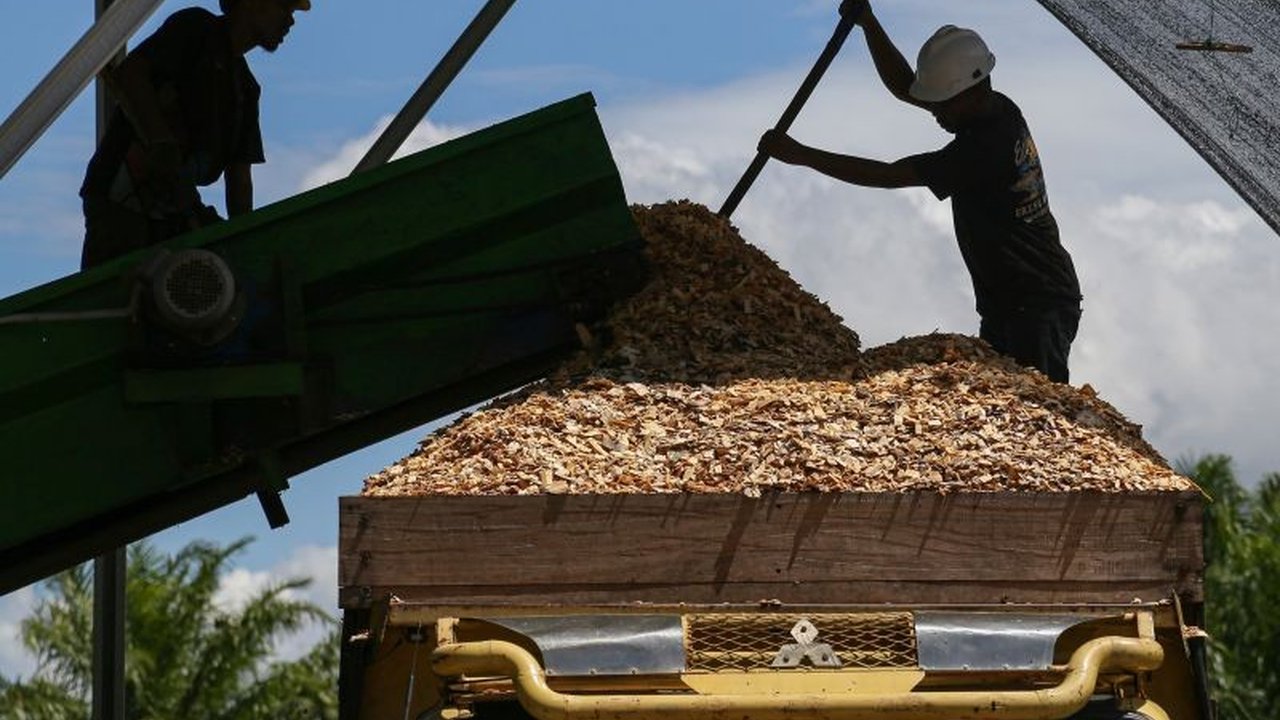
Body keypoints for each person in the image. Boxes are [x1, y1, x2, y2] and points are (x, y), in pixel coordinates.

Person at [759, 1, 1083, 383]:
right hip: (1009, 303)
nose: (935, 115)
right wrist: (869, 25)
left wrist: (802, 155)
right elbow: (905, 87)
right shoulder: (997, 106)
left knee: (1035, 399)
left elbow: (887, 175)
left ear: (969, 93)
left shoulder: (981, 151)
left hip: (1038, 303)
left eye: (942, 107)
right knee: (1006, 398)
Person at [79, 0, 310, 270]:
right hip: (119, 204)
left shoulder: (245, 90)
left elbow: (239, 181)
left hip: (171, 220)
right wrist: (160, 141)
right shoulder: (196, 30)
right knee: (120, 289)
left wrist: (244, 243)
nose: (290, 21)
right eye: (284, 7)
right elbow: (131, 74)